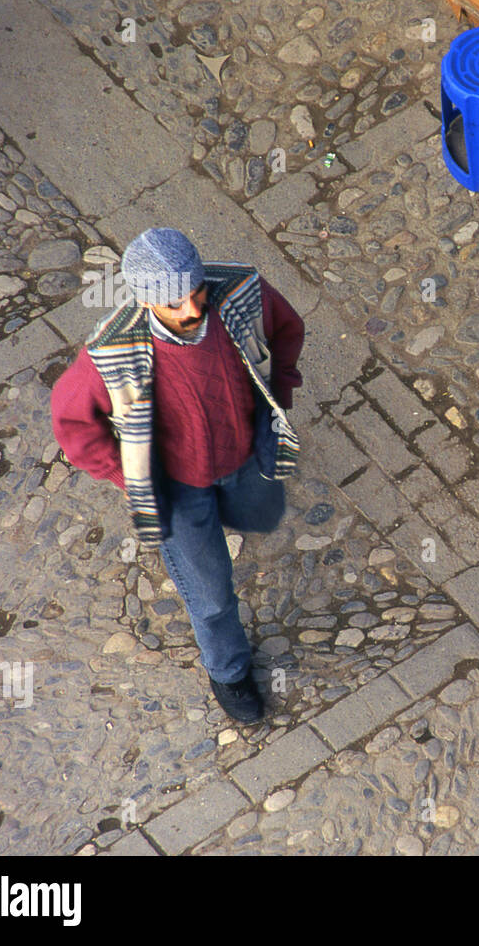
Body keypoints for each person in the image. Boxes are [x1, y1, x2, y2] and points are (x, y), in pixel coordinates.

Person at [51, 228, 304, 723]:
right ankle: (228, 671)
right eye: (173, 304)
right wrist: (129, 478)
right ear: (145, 303)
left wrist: (282, 394)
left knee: (264, 511)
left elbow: (287, 329)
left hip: (244, 456)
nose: (191, 310)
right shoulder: (108, 355)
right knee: (211, 595)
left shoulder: (243, 291)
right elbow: (73, 426)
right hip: (176, 489)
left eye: (196, 293)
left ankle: (231, 512)